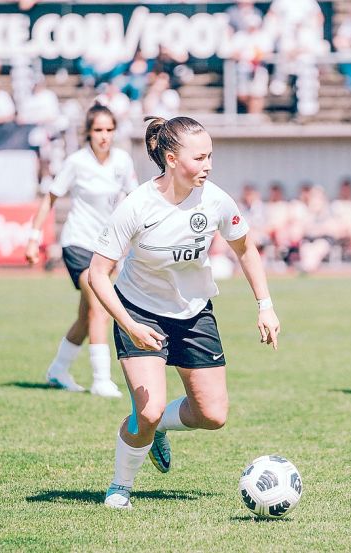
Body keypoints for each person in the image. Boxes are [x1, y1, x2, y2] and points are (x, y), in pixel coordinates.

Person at [89, 116, 280, 509]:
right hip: (139, 311)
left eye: (211, 156)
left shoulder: (215, 200)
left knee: (213, 415)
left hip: (194, 313)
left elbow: (246, 249)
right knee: (149, 409)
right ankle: (120, 487)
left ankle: (158, 427)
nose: (208, 165)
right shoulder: (138, 205)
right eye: (200, 157)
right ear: (172, 159)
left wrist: (266, 306)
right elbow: (97, 273)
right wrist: (129, 325)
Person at [25, 103, 138, 398]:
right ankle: (101, 380)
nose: (104, 136)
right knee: (101, 308)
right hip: (77, 244)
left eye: (109, 129)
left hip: (107, 249)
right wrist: (33, 238)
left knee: (86, 315)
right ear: (88, 132)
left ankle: (57, 370)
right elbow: (49, 199)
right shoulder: (76, 162)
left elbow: (133, 201)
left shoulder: (123, 161)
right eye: (98, 130)